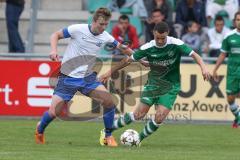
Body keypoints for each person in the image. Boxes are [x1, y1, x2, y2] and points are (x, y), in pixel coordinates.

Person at [34, 7, 134, 147]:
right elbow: (55, 35)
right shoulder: (77, 29)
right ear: (94, 21)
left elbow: (123, 48)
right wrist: (53, 50)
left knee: (109, 101)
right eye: (101, 24)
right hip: (68, 77)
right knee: (54, 112)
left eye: (106, 24)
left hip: (88, 78)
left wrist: (138, 57)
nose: (103, 27)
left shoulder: (105, 36)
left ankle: (108, 136)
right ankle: (40, 130)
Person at [100, 22, 211, 144]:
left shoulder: (175, 43)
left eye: (162, 38)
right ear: (154, 33)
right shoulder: (148, 47)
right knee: (139, 115)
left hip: (171, 86)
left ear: (167, 34)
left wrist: (204, 68)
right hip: (153, 84)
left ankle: (138, 140)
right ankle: (107, 130)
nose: (160, 41)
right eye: (157, 37)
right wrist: (109, 72)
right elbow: (127, 60)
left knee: (160, 117)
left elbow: (195, 55)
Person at [213, 11, 240, 128]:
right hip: (233, 72)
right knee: (230, 98)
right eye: (238, 19)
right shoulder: (229, 36)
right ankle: (238, 117)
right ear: (234, 21)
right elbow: (223, 54)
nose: (239, 22)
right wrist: (215, 69)